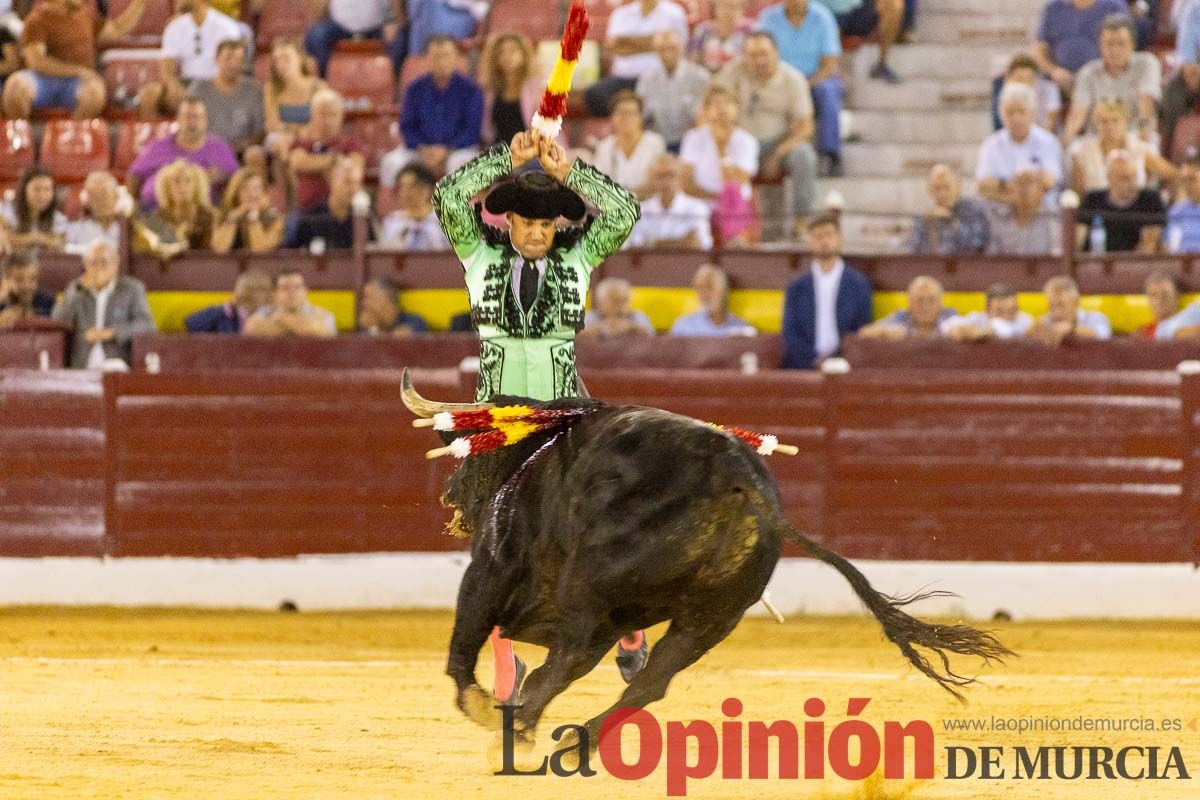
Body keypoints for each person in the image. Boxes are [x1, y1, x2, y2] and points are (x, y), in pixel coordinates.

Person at [432, 129, 644, 697]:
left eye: (547, 225)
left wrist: (572, 172)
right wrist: (508, 158)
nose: (537, 234)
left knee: (596, 523)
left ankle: (628, 629)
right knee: (492, 544)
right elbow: (447, 198)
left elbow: (626, 211)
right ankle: (507, 663)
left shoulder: (580, 254)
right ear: (508, 222)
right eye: (527, 223)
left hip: (564, 415)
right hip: (500, 421)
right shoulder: (479, 252)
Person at [716, 30, 818, 237]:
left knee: (804, 156)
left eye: (764, 54)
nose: (759, 60)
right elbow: (710, 104)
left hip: (776, 145)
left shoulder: (793, 79)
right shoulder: (733, 71)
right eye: (753, 55)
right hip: (737, 144)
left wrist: (778, 154)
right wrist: (720, 142)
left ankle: (802, 222)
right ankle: (725, 228)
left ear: (776, 52)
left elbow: (805, 127)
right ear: (744, 56)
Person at [2, 0, 145, 120]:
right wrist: (78, 71)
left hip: (76, 84)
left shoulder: (85, 15)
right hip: (43, 81)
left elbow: (116, 29)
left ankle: (71, 139)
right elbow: (36, 61)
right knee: (15, 88)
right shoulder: (37, 20)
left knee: (94, 93)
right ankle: (25, 141)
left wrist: (139, 3)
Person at [755, 0, 845, 176]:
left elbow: (830, 64)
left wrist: (803, 85)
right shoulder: (768, 19)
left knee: (828, 91)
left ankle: (830, 154)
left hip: (814, 81)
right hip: (778, 82)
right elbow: (758, 55)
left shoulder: (822, 17)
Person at [381, 35, 483, 187]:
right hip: (421, 150)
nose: (441, 61)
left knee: (462, 166)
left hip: (458, 150)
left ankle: (457, 209)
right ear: (427, 58)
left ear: (455, 57)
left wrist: (446, 150)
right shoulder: (414, 89)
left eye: (446, 56)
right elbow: (407, 126)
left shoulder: (471, 90)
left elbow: (472, 130)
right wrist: (423, 149)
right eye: (436, 56)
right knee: (391, 163)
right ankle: (398, 210)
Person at [781, 213, 872, 368]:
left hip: (846, 367)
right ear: (810, 243)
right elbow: (790, 332)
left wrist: (836, 360)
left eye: (829, 235)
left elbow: (861, 331)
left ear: (839, 239)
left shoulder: (859, 284)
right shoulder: (797, 287)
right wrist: (815, 360)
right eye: (818, 236)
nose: (824, 241)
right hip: (803, 368)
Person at [51, 239, 156, 368]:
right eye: (93, 263)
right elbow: (57, 322)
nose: (98, 268)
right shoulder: (75, 289)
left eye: (103, 263)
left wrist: (111, 333)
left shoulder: (131, 289)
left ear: (115, 265)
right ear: (84, 265)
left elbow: (147, 325)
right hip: (82, 367)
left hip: (118, 366)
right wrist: (76, 294)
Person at [1062, 13, 1160, 147]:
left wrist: (1142, 138)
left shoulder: (1147, 63)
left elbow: (1146, 105)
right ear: (1100, 45)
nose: (1114, 50)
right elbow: (1078, 114)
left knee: (1149, 145)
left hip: (1133, 134)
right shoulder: (1088, 72)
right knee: (1074, 149)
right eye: (1109, 44)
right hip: (1097, 138)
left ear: (1132, 45)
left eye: (1121, 44)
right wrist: (1067, 141)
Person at [137, 0, 244, 121]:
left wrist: (209, 90)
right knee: (149, 95)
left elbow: (232, 69)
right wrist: (173, 86)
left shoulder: (226, 27)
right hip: (186, 84)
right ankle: (156, 138)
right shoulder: (174, 27)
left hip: (214, 84)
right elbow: (167, 69)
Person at [127, 96, 240, 209]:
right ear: (178, 119)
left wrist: (222, 177)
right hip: (155, 209)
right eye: (187, 117)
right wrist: (135, 206)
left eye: (197, 117)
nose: (192, 122)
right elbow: (133, 176)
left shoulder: (220, 148)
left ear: (205, 120)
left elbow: (237, 182)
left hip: (201, 212)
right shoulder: (158, 146)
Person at [679, 84, 760, 243]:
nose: (722, 108)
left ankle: (735, 243)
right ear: (706, 110)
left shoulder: (746, 140)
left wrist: (722, 149)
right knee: (695, 211)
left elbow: (738, 179)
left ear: (736, 108)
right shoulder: (694, 137)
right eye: (716, 104)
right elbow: (686, 181)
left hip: (734, 204)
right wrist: (715, 197)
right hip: (701, 202)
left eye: (727, 103)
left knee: (732, 196)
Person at [584, 0, 690, 118]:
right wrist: (651, 42)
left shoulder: (674, 13)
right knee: (594, 94)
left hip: (657, 80)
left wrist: (627, 42)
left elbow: (676, 48)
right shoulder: (621, 14)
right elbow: (613, 47)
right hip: (622, 79)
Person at [977, 82, 1063, 210]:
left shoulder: (1048, 141)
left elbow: (1051, 180)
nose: (1016, 118)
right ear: (1001, 113)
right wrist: (1014, 185)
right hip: (1001, 213)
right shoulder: (991, 145)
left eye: (1021, 111)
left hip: (1042, 213)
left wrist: (1031, 178)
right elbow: (983, 184)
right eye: (1010, 112)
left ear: (1032, 113)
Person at [1068, 98, 1175, 195]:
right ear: (1096, 124)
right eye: (1104, 121)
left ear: (1125, 123)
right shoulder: (1083, 152)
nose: (1110, 126)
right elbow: (1079, 193)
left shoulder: (1140, 149)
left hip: (1134, 210)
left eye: (1115, 120)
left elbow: (1172, 174)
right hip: (1098, 209)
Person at [289, 88, 367, 212]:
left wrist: (316, 162)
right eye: (323, 114)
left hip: (343, 212)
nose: (328, 121)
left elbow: (355, 169)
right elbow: (298, 162)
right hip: (308, 213)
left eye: (333, 114)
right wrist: (334, 160)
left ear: (341, 116)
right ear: (312, 115)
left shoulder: (351, 143)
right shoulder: (302, 143)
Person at [1077, 149, 1165, 253]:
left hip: (1135, 266)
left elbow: (1149, 245)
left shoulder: (1150, 200)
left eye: (1134, 177)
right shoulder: (1092, 200)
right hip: (1095, 263)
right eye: (1125, 178)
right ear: (1109, 179)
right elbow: (1077, 242)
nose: (1132, 183)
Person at [636, 30, 710, 150]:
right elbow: (640, 116)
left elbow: (706, 118)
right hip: (658, 142)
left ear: (682, 48)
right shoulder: (647, 79)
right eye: (661, 49)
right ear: (656, 51)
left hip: (691, 143)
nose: (667, 54)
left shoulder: (700, 77)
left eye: (672, 48)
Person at [1033, 0, 1126, 95]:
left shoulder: (1113, 7)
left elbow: (1125, 45)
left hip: (1101, 84)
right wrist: (1054, 71)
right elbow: (1039, 49)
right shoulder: (1053, 8)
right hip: (1058, 86)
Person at [189, 39, 265, 156]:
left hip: (242, 150)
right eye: (228, 58)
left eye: (239, 60)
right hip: (205, 149)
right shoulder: (199, 89)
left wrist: (242, 145)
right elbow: (188, 123)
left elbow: (260, 131)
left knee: (255, 154)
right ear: (216, 59)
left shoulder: (254, 90)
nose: (234, 64)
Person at [133, 161, 218, 259]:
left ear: (197, 186)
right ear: (167, 188)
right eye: (176, 181)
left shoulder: (211, 216)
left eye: (188, 181)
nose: (182, 186)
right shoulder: (157, 217)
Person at [284, 157, 373, 249]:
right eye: (347, 182)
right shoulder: (311, 220)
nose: (353, 189)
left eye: (357, 183)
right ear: (331, 180)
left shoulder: (363, 219)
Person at [589, 91, 667, 196]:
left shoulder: (655, 143)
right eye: (621, 113)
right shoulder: (605, 146)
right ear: (612, 117)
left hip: (648, 206)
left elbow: (657, 183)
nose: (626, 118)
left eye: (631, 113)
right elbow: (597, 184)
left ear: (640, 117)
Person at [628, 153, 713, 249]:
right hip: (650, 263)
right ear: (651, 180)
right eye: (660, 176)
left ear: (681, 178)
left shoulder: (697, 207)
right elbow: (635, 246)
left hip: (686, 263)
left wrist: (653, 243)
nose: (666, 181)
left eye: (671, 175)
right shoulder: (641, 210)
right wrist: (680, 242)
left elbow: (701, 245)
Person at [304, 0, 406, 77]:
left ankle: (389, 86)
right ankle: (328, 84)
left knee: (399, 38)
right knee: (315, 36)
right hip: (340, 28)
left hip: (377, 27)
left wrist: (395, 21)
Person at [814, 0, 904, 83]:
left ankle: (881, 64)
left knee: (893, 4)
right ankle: (829, 73)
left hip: (855, 9)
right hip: (827, 12)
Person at [908, 164, 990, 255]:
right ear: (929, 191)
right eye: (937, 188)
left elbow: (978, 245)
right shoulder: (923, 217)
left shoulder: (973, 209)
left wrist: (951, 222)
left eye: (946, 187)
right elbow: (914, 252)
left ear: (958, 186)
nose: (942, 193)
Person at [478, 33, 541, 149]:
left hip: (531, 150)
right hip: (497, 151)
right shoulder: (489, 91)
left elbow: (545, 130)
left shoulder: (536, 89)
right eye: (501, 52)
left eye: (513, 51)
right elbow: (485, 131)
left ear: (524, 55)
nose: (507, 56)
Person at [986, 167, 1063, 256]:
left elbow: (1056, 260)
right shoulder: (998, 217)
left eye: (1029, 182)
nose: (1023, 189)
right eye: (1019, 183)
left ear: (1042, 190)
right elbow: (992, 260)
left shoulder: (1053, 219)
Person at [264, 39, 327, 143]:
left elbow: (321, 121)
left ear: (299, 58)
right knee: (276, 141)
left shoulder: (318, 87)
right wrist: (296, 133)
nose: (281, 64)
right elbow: (272, 124)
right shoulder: (270, 88)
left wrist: (294, 131)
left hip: (311, 138)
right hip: (282, 139)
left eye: (286, 58)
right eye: (277, 60)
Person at [243, 268, 337, 337]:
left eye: (297, 287)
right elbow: (250, 329)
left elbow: (321, 331)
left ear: (305, 291)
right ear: (274, 293)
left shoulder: (322, 313)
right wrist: (302, 327)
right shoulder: (265, 311)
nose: (292, 292)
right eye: (285, 288)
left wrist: (282, 318)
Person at [858, 275, 959, 339]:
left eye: (931, 300)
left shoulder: (950, 317)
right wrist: (884, 332)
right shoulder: (901, 317)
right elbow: (864, 333)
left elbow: (972, 329)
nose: (925, 306)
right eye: (919, 300)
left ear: (941, 304)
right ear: (909, 304)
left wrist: (967, 332)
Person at [212, 168, 285, 253]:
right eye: (245, 188)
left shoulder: (274, 218)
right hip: (228, 265)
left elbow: (260, 250)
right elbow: (219, 249)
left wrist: (253, 218)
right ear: (236, 192)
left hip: (262, 265)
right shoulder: (222, 215)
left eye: (256, 188)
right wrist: (232, 218)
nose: (252, 194)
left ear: (264, 192)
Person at [379, 163, 449, 250]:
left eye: (410, 187)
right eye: (401, 187)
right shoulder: (391, 222)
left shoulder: (445, 221)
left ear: (426, 189)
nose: (404, 192)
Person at [669, 263, 754, 335]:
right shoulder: (683, 327)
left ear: (725, 291)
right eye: (699, 288)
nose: (704, 294)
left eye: (710, 287)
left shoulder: (742, 328)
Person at [0, 168, 68, 254]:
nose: (42, 195)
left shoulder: (58, 218)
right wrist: (37, 238)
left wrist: (26, 239)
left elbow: (58, 245)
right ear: (24, 190)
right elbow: (6, 241)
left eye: (47, 189)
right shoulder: (7, 210)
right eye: (37, 189)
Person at [184, 269, 273, 333]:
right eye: (248, 290)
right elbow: (191, 324)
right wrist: (224, 310)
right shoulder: (224, 314)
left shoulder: (272, 315)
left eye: (261, 290)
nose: (253, 296)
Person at [1163, 1, 1200, 156]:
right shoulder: (1194, 9)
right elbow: (1186, 60)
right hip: (1196, 72)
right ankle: (1169, 155)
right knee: (1174, 88)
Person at [990, 53, 1062, 133]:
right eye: (1020, 78)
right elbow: (1001, 126)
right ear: (1010, 78)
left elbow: (1050, 122)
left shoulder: (1049, 89)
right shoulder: (1006, 91)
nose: (1025, 83)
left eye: (1029, 78)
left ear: (1036, 77)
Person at [1028, 275, 1112, 342]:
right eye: (1052, 306)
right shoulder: (1045, 320)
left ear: (1076, 302)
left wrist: (1071, 329)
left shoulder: (1095, 317)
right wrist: (1033, 332)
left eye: (1060, 305)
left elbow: (1104, 335)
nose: (1055, 311)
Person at [942, 282, 1033, 341]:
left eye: (1012, 310)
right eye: (1000, 311)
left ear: (1017, 307)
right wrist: (956, 329)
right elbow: (948, 324)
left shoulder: (1026, 320)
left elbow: (1005, 329)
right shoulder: (977, 317)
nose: (1006, 315)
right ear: (987, 309)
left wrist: (979, 332)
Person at [66, 171, 126, 257]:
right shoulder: (75, 229)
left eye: (104, 196)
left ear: (116, 197)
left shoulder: (129, 229)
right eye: (95, 197)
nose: (100, 203)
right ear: (87, 201)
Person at [690, 0, 754, 72]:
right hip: (708, 78)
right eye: (724, 6)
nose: (728, 11)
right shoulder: (703, 30)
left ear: (742, 8)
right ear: (715, 7)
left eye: (733, 7)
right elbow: (693, 60)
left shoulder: (751, 30)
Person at [580, 277, 656, 337]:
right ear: (600, 304)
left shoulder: (638, 316)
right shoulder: (591, 317)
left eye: (625, 300)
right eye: (615, 300)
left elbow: (652, 339)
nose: (621, 305)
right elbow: (576, 340)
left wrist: (632, 328)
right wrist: (601, 328)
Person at [0, 252, 55, 328]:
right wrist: (2, 295)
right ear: (5, 281)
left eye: (32, 279)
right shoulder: (2, 301)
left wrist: (21, 314)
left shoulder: (47, 300)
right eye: (19, 279)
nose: (27, 285)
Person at [358, 277, 429, 336]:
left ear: (386, 299)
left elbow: (389, 346)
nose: (364, 303)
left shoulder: (414, 322)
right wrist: (372, 328)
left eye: (369, 297)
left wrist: (373, 330)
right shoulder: (366, 324)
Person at [1166, 156, 1200, 253]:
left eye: (1192, 179)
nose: (1188, 184)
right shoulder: (1175, 211)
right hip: (1181, 263)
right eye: (1184, 180)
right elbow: (1170, 246)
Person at [1138, 270, 1179, 338]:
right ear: (1149, 301)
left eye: (1165, 294)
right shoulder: (1142, 333)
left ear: (1176, 298)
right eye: (1154, 295)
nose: (1160, 299)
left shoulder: (1189, 330)